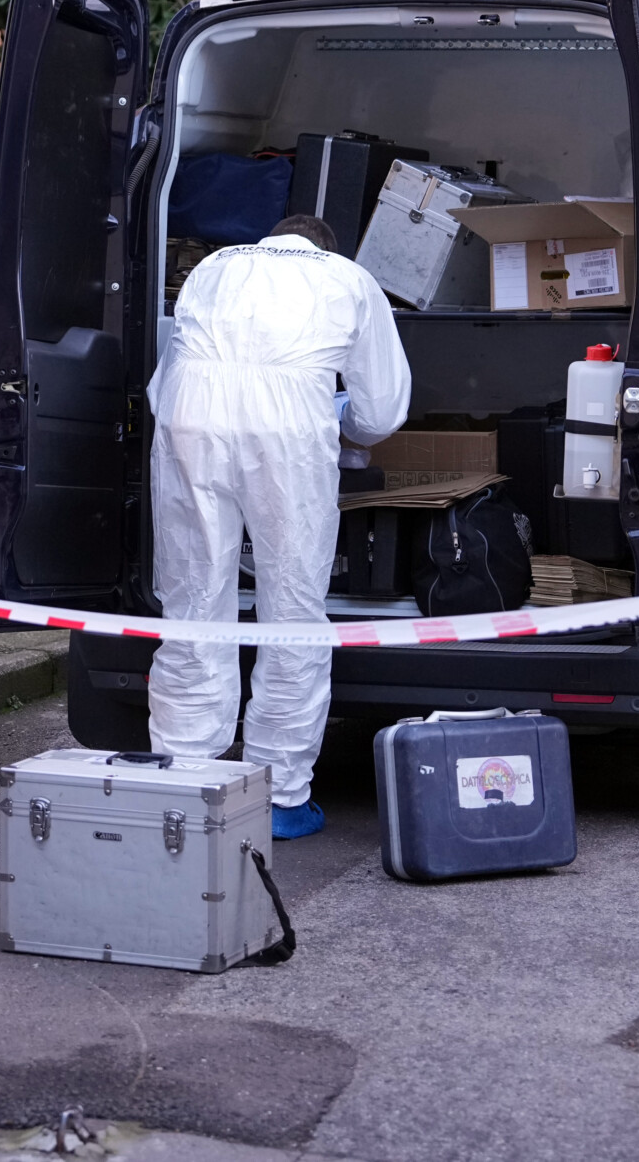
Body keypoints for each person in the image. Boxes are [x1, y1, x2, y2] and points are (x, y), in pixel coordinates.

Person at [147, 212, 411, 839]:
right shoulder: (348, 278)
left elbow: (163, 384)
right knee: (291, 607)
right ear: (327, 246)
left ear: (271, 238)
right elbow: (381, 413)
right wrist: (340, 420)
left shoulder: (213, 266)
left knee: (193, 598)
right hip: (287, 434)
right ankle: (282, 795)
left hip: (190, 421)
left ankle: (185, 779)